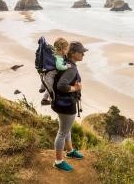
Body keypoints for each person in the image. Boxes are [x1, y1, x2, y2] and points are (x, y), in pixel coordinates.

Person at [51, 41, 88, 172]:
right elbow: (61, 85)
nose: (83, 54)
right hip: (66, 105)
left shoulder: (65, 63)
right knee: (62, 132)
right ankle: (58, 161)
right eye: (81, 52)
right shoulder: (71, 68)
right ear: (73, 53)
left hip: (60, 103)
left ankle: (70, 151)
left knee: (67, 129)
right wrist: (75, 88)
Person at [39, 37, 70, 105]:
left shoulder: (53, 54)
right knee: (51, 89)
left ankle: (43, 92)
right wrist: (66, 67)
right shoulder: (59, 58)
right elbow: (59, 67)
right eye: (67, 49)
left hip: (46, 72)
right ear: (62, 49)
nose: (68, 51)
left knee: (47, 85)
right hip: (50, 75)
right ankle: (52, 101)